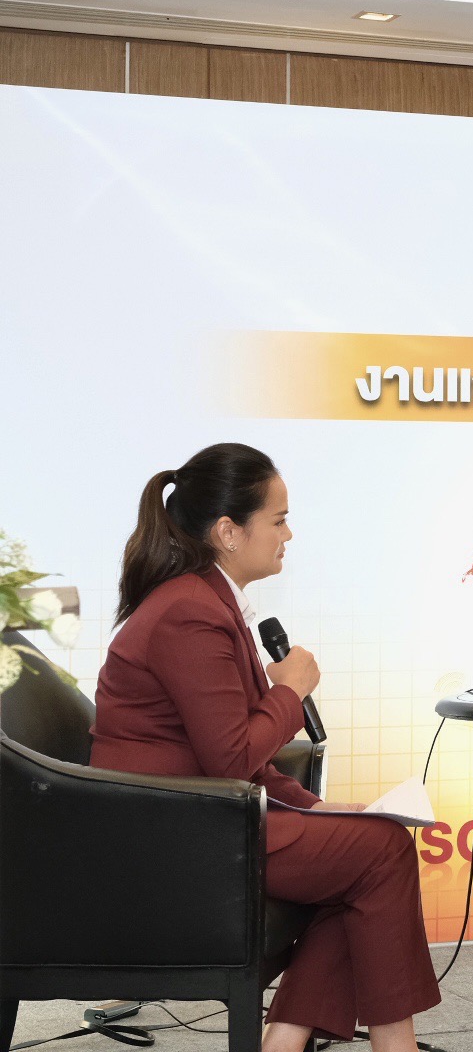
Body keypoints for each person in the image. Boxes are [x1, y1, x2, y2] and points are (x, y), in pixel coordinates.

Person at [89, 444, 440, 1051]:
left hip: (204, 813)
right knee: (381, 853)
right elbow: (231, 757)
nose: (289, 534)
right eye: (278, 521)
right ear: (229, 531)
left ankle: (285, 1040)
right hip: (176, 834)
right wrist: (290, 692)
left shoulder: (207, 600)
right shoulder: (189, 612)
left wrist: (315, 808)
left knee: (366, 847)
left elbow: (236, 758)